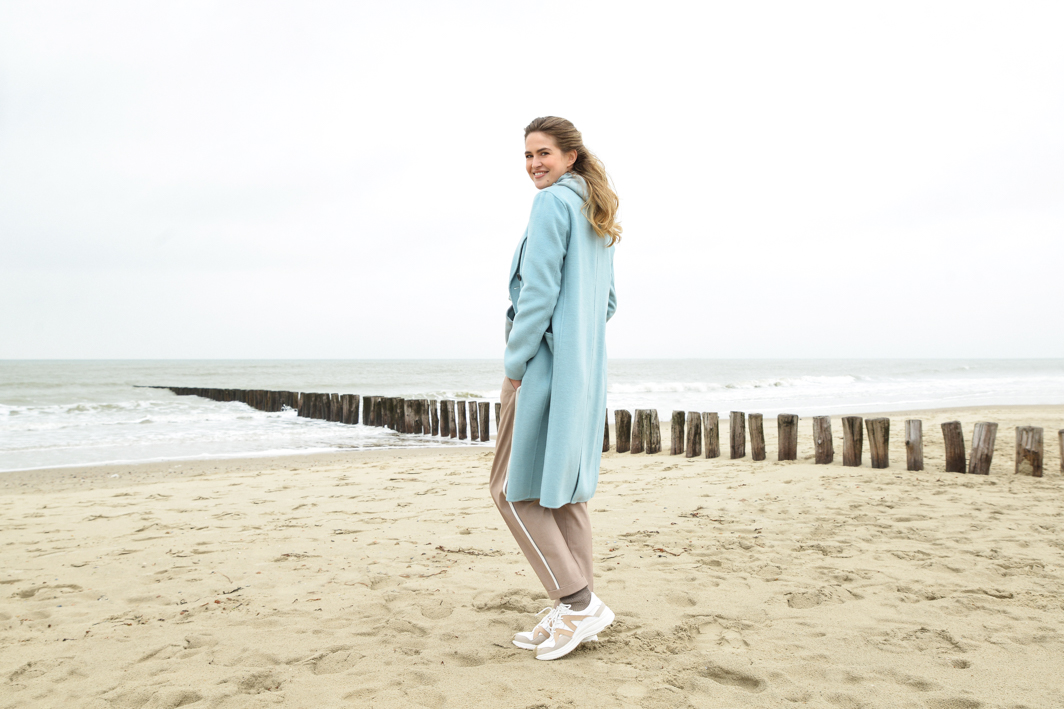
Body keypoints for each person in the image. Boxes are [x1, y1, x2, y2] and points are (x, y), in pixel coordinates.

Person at [489, 116, 620, 661]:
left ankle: (577, 601)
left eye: (543, 153)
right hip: (583, 372)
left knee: (511, 491)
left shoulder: (551, 205)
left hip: (543, 369)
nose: (534, 164)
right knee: (564, 494)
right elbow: (607, 302)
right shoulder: (595, 211)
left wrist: (517, 362)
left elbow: (538, 294)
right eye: (527, 155)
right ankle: (576, 613)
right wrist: (575, 340)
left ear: (570, 156)